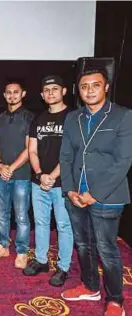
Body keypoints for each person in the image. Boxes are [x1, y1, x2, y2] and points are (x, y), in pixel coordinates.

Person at [60, 69, 132, 316]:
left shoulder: (123, 117)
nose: (89, 90)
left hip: (107, 198)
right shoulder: (72, 118)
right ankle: (90, 287)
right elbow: (66, 155)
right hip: (75, 196)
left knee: (107, 250)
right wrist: (69, 189)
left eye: (95, 85)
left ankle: (115, 301)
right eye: (84, 86)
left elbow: (123, 162)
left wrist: (95, 194)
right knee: (83, 245)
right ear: (78, 90)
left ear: (106, 87)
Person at [22, 75, 73, 287]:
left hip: (63, 183)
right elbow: (32, 150)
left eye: (55, 88)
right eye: (47, 90)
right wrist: (41, 173)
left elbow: (72, 153)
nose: (50, 93)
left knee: (63, 225)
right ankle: (41, 261)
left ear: (64, 91)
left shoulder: (73, 117)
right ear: (42, 95)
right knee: (41, 223)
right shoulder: (38, 119)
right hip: (39, 181)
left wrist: (52, 176)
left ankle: (63, 267)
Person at [0, 78, 34, 269]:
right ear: (4, 95)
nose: (12, 95)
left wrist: (11, 168)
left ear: (23, 94)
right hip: (0, 175)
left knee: (22, 215)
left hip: (21, 175)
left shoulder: (31, 118)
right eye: (9, 92)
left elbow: (29, 148)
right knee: (1, 213)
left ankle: (22, 251)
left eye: (16, 92)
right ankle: (3, 244)